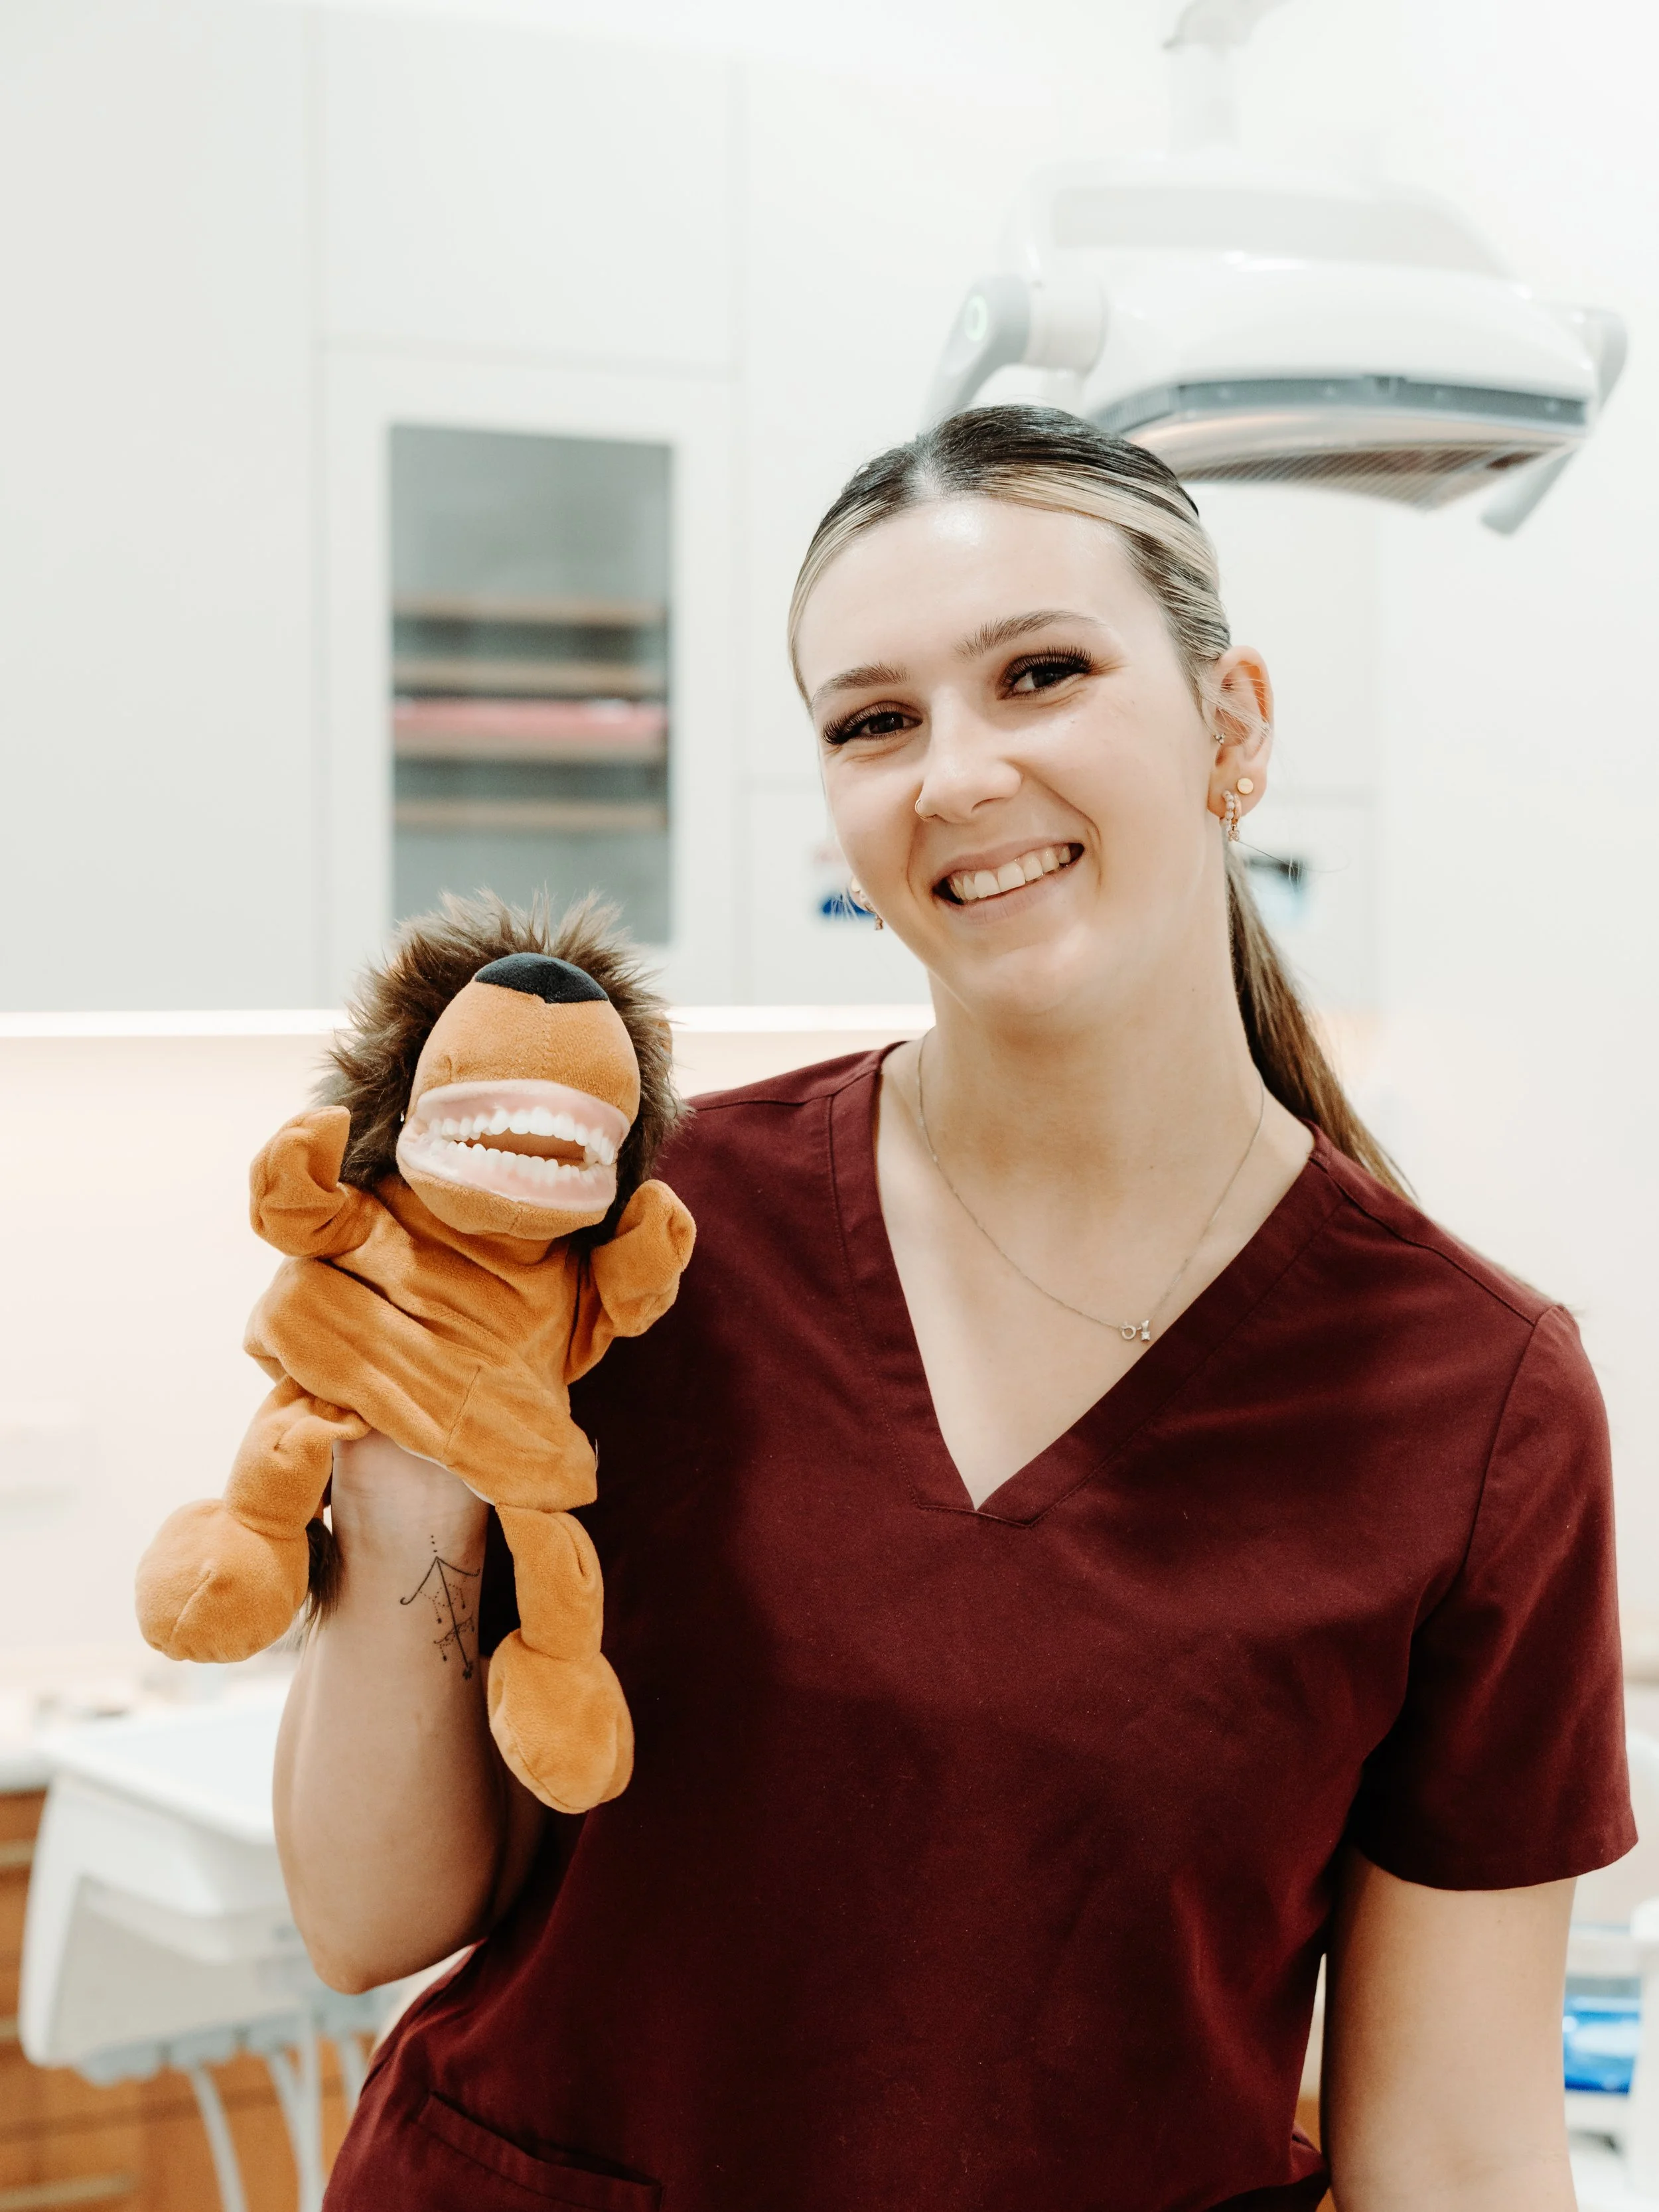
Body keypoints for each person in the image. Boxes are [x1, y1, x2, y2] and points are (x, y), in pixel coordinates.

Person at [282, 408, 1632, 2212]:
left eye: (1040, 673)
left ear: (1231, 726)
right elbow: (367, 1911)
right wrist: (406, 1449)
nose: (955, 775)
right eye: (873, 721)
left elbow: (1456, 2147)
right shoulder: (637, 1240)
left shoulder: (1467, 1401)